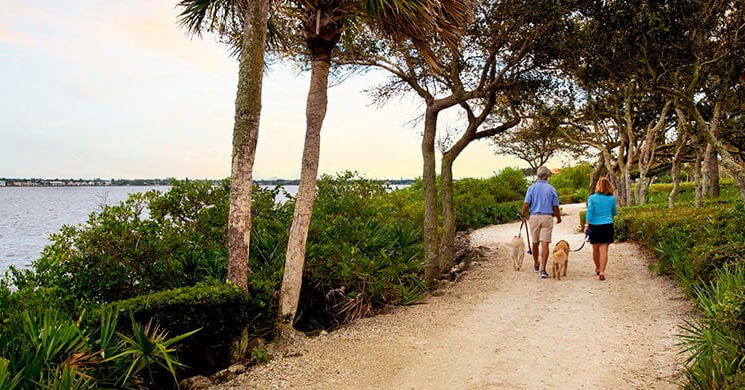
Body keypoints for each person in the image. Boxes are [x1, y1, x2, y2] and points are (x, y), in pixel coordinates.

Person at [521, 166, 561, 279]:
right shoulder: (551, 189)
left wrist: (523, 215)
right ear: (547, 176)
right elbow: (555, 206)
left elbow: (526, 204)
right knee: (545, 243)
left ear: (537, 176)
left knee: (535, 242)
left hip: (534, 217)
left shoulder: (531, 188)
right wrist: (558, 217)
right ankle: (543, 269)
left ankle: (536, 263)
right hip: (547, 217)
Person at [584, 177, 617, 281]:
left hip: (594, 225)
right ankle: (602, 271)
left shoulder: (592, 198)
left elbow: (590, 212)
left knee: (595, 249)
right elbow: (614, 212)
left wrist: (586, 224)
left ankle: (598, 268)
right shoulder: (611, 198)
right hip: (607, 225)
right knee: (604, 250)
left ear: (598, 186)